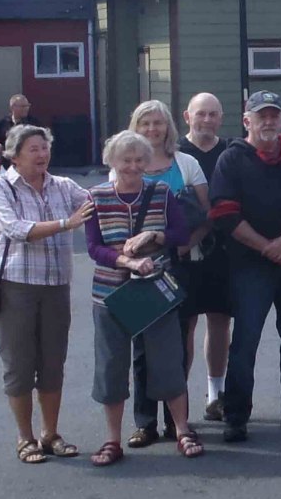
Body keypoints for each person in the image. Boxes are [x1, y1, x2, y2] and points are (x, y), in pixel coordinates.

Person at [208, 91, 281, 442]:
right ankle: (236, 417)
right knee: (245, 342)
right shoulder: (232, 159)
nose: (269, 121)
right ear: (247, 120)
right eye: (261, 116)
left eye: (274, 115)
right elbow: (224, 214)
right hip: (249, 267)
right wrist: (269, 248)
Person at [85, 130, 200, 466]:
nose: (133, 167)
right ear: (112, 162)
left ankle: (182, 430)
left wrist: (154, 234)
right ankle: (111, 440)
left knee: (168, 360)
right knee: (111, 367)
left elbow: (180, 234)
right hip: (110, 294)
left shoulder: (162, 192)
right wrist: (127, 260)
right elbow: (94, 247)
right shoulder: (96, 197)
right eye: (126, 161)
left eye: (139, 160)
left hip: (153, 290)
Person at [0, 125, 93, 463]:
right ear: (14, 155)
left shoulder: (63, 186)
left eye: (45, 148)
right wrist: (66, 224)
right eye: (33, 149)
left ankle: (50, 434)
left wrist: (131, 171)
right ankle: (25, 438)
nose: (42, 154)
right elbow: (15, 230)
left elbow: (98, 202)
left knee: (52, 364)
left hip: (56, 285)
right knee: (18, 364)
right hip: (15, 285)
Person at [119, 99, 210, 449]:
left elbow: (206, 213)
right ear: (135, 127)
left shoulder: (186, 164)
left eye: (158, 123)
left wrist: (186, 246)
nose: (152, 130)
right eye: (145, 124)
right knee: (141, 347)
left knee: (177, 346)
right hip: (138, 270)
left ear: (169, 127)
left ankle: (178, 421)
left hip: (180, 266)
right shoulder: (126, 166)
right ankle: (145, 423)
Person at [179, 92, 231, 422]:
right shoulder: (175, 154)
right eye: (201, 114)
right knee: (184, 325)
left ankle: (215, 393)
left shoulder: (230, 152)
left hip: (222, 251)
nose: (207, 120)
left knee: (219, 322)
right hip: (182, 253)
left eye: (213, 114)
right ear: (187, 116)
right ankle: (177, 398)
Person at [0, 94, 42, 161]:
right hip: (6, 164)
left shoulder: (34, 123)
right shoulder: (3, 122)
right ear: (12, 107)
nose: (26, 108)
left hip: (27, 164)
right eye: (23, 106)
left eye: (27, 106)